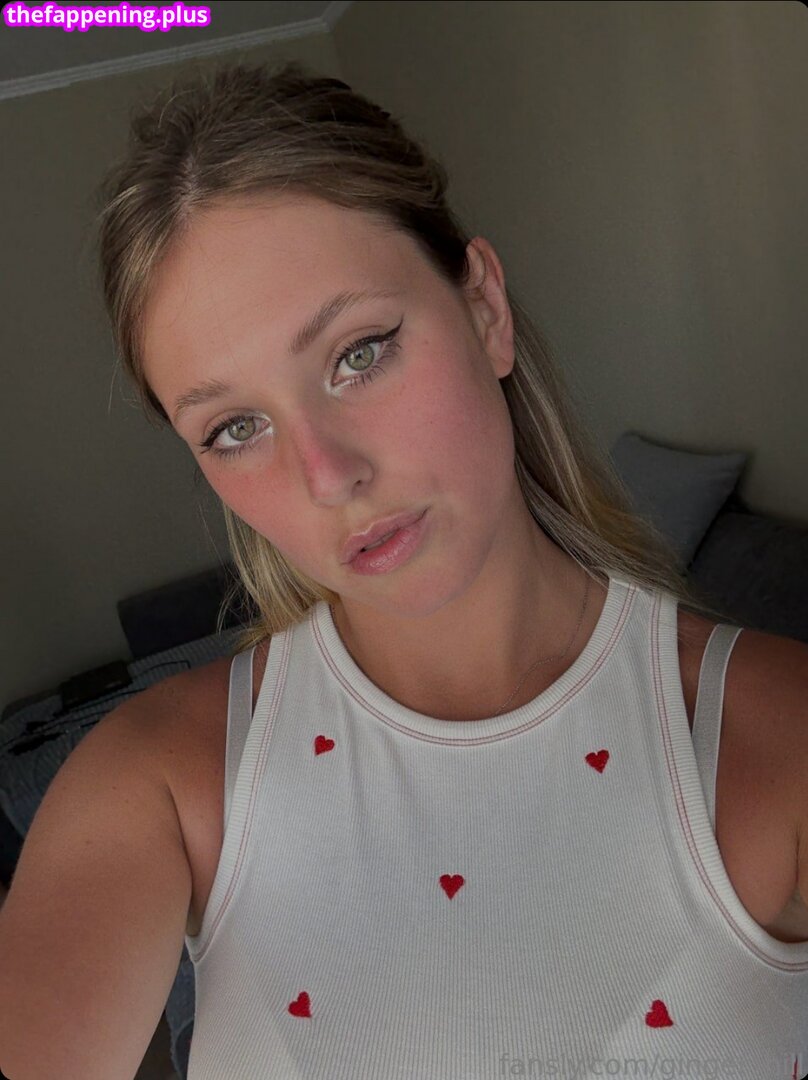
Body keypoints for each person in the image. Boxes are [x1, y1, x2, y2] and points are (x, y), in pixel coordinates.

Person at [2, 60, 807, 1080]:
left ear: (485, 311)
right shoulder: (150, 782)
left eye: (359, 353)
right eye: (237, 427)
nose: (328, 476)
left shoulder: (777, 734)